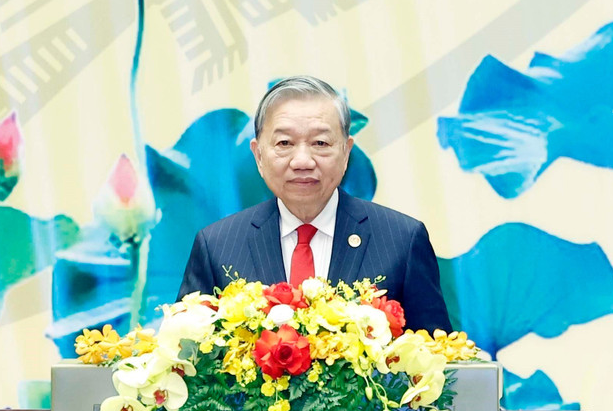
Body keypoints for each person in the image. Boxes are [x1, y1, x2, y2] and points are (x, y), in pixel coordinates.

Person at [177, 76, 451, 334]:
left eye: (320, 142)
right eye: (284, 143)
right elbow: (186, 359)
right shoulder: (217, 246)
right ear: (258, 155)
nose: (302, 161)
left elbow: (440, 364)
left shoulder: (401, 240)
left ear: (346, 153)